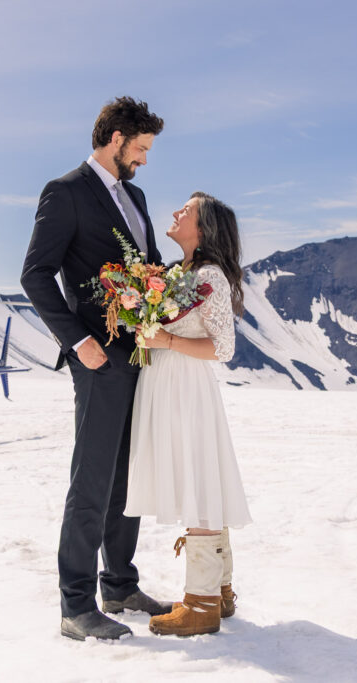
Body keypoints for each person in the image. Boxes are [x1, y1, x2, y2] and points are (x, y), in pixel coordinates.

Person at [20, 96, 172, 641]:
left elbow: (147, 268)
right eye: (141, 148)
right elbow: (35, 275)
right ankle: (76, 606)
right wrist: (79, 340)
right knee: (92, 478)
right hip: (98, 357)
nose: (145, 160)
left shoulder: (136, 195)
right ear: (115, 139)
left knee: (128, 477)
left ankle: (120, 584)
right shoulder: (64, 193)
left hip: (140, 355)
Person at [123, 191, 253, 637]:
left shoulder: (209, 276)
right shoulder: (184, 273)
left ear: (203, 228)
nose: (177, 212)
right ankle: (219, 590)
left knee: (197, 478)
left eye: (187, 210)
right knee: (197, 477)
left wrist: (167, 342)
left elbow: (224, 348)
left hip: (186, 388)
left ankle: (201, 605)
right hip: (171, 384)